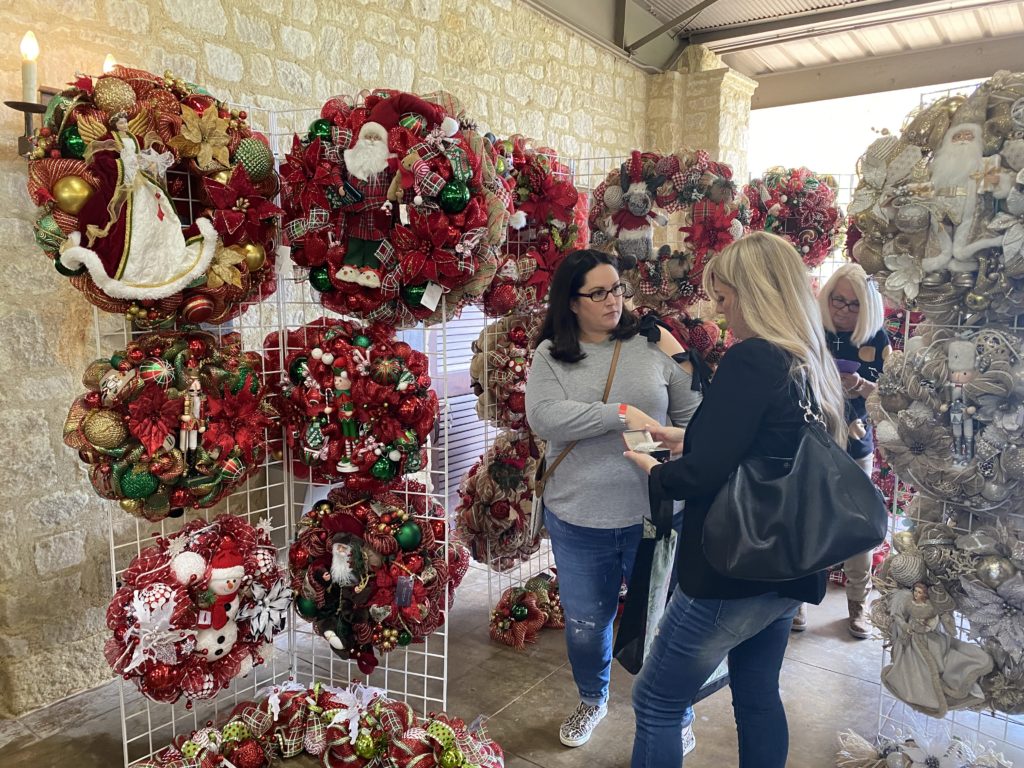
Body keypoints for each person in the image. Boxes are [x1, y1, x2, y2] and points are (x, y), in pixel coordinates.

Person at [624, 231, 846, 768]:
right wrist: (687, 437)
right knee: (757, 697)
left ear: (756, 293)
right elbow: (768, 445)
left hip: (733, 568)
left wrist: (657, 472)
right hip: (789, 564)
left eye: (724, 299)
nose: (720, 313)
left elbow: (702, 474)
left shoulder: (754, 359)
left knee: (655, 698)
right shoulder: (808, 360)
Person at [525, 249, 701, 751]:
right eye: (598, 292)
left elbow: (694, 413)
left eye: (617, 289)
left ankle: (676, 712)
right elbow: (544, 417)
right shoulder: (551, 355)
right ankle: (592, 699)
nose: (613, 301)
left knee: (664, 624)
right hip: (579, 515)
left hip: (657, 514)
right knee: (585, 623)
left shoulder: (653, 347)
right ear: (572, 301)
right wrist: (620, 414)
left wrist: (672, 442)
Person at [795, 264, 890, 638]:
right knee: (807, 519)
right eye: (839, 301)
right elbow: (793, 377)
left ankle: (857, 605)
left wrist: (862, 385)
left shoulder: (878, 338)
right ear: (827, 297)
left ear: (867, 307)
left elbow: (892, 396)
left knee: (858, 525)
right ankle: (798, 598)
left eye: (854, 305)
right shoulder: (813, 330)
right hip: (812, 439)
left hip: (855, 441)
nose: (845, 311)